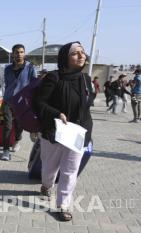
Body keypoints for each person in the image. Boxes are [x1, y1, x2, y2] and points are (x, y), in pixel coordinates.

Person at [33, 41, 93, 221]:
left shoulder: (86, 79)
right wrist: (57, 114)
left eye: (82, 52)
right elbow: (39, 103)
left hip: (79, 131)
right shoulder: (54, 77)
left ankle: (63, 205)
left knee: (70, 170)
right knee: (50, 167)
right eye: (75, 53)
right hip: (55, 131)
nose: (81, 56)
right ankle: (46, 185)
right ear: (65, 58)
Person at [0, 44, 37, 161]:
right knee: (7, 125)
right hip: (8, 100)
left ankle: (17, 140)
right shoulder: (7, 69)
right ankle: (5, 150)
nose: (19, 54)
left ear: (24, 53)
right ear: (13, 54)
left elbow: (34, 84)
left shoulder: (30, 67)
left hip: (22, 102)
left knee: (19, 125)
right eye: (17, 52)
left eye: (21, 52)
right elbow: (6, 84)